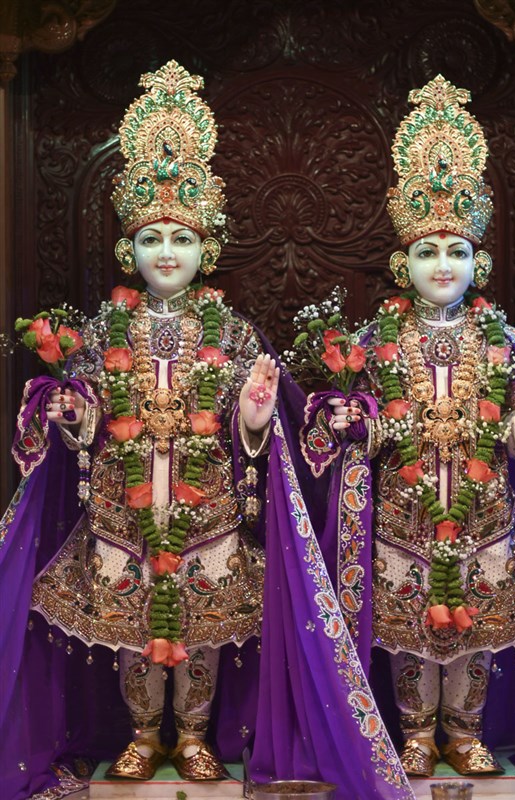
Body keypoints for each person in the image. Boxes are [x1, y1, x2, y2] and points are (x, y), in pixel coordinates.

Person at [299, 74, 515, 789]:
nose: (443, 266)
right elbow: (364, 434)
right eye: (428, 252)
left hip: (484, 515)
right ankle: (413, 734)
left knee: (476, 633)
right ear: (403, 263)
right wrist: (352, 423)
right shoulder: (373, 344)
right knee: (411, 631)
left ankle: (464, 734)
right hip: (403, 519)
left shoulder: (508, 344)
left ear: (478, 263)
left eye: (456, 252)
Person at [8, 61, 280, 783]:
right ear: (129, 249)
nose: (166, 252)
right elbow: (87, 418)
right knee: (134, 627)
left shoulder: (235, 333)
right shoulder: (103, 330)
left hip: (207, 508)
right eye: (152, 237)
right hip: (124, 510)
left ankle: (192, 736)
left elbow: (256, 431)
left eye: (181, 238)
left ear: (205, 250)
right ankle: (139, 734)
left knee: (203, 627)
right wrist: (73, 413)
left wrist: (254, 417)